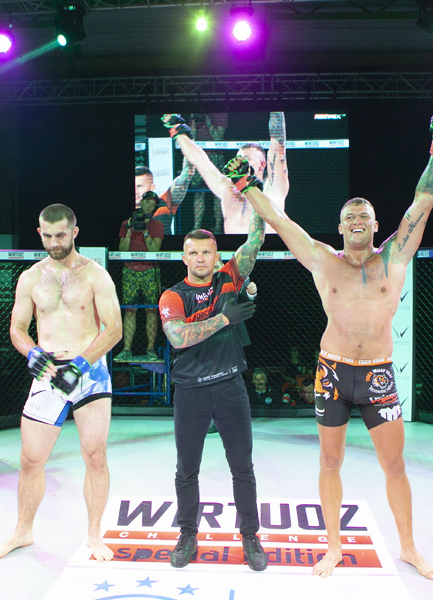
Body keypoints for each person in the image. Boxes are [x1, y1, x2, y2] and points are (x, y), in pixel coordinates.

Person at [234, 113, 433, 580]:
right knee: (330, 461)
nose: (356, 221)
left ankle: (409, 549)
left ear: (376, 224)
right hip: (333, 372)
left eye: (363, 216)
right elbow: (278, 219)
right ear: (340, 228)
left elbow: (424, 200)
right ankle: (334, 547)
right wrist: (245, 184)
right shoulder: (323, 260)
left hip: (377, 373)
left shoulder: (395, 255)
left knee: (394, 464)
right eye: (349, 217)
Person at [158, 113, 268, 572]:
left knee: (243, 467)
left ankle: (251, 538)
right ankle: (187, 535)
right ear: (184, 257)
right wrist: (224, 318)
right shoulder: (172, 295)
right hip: (190, 391)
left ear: (216, 254)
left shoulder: (230, 274)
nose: (200, 258)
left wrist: (251, 188)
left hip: (230, 387)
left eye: (207, 252)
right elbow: (178, 338)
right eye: (193, 253)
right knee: (187, 470)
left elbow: (257, 237)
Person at [0, 204, 122, 562]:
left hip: (89, 371)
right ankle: (23, 532)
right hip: (48, 373)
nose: (54, 242)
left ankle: (94, 535)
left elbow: (114, 330)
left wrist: (80, 364)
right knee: (31, 459)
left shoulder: (95, 275)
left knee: (95, 456)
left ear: (74, 232)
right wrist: (33, 353)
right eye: (47, 236)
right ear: (40, 233)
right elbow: (17, 329)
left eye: (61, 235)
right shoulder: (30, 277)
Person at [165, 112, 288, 235]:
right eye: (238, 159)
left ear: (262, 165)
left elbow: (278, 147)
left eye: (246, 159)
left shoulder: (273, 189)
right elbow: (200, 161)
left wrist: (276, 106)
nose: (240, 162)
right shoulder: (228, 189)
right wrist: (177, 131)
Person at [117, 190, 164, 361]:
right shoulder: (126, 223)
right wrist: (130, 231)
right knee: (130, 310)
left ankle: (150, 349)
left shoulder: (157, 225)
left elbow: (154, 250)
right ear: (141, 203)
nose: (149, 205)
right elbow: (122, 250)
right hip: (130, 270)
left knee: (151, 309)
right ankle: (126, 349)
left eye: (153, 203)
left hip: (150, 270)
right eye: (147, 201)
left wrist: (145, 232)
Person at [134, 162, 194, 235]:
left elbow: (184, 179)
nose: (135, 191)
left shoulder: (163, 203)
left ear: (152, 187)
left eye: (139, 186)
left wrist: (190, 157)